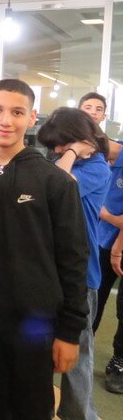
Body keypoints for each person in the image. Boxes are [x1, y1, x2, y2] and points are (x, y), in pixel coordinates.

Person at [0, 79, 89, 420]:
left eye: (17, 112)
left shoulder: (55, 182)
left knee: (31, 406)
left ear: (32, 117)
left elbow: (73, 259)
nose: (5, 121)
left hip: (34, 322)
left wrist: (70, 332)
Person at [38, 106, 110, 420]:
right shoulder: (62, 161)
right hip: (48, 271)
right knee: (40, 349)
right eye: (54, 145)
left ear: (79, 138)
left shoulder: (97, 167)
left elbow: (58, 184)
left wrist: (71, 151)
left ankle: (80, 415)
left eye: (61, 143)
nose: (56, 150)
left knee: (78, 352)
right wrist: (69, 151)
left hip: (82, 274)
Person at [78, 92, 123, 394]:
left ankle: (119, 361)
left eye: (98, 109)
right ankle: (80, 348)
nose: (93, 112)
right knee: (91, 298)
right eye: (87, 107)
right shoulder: (78, 156)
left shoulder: (110, 151)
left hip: (114, 242)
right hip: (95, 242)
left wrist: (107, 216)